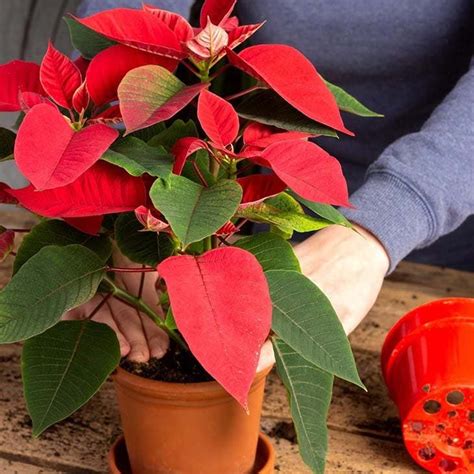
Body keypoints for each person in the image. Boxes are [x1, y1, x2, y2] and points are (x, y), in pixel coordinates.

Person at [68, 0, 473, 362]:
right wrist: (116, 198)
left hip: (446, 255)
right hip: (278, 222)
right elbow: (126, 21)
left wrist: (382, 224)